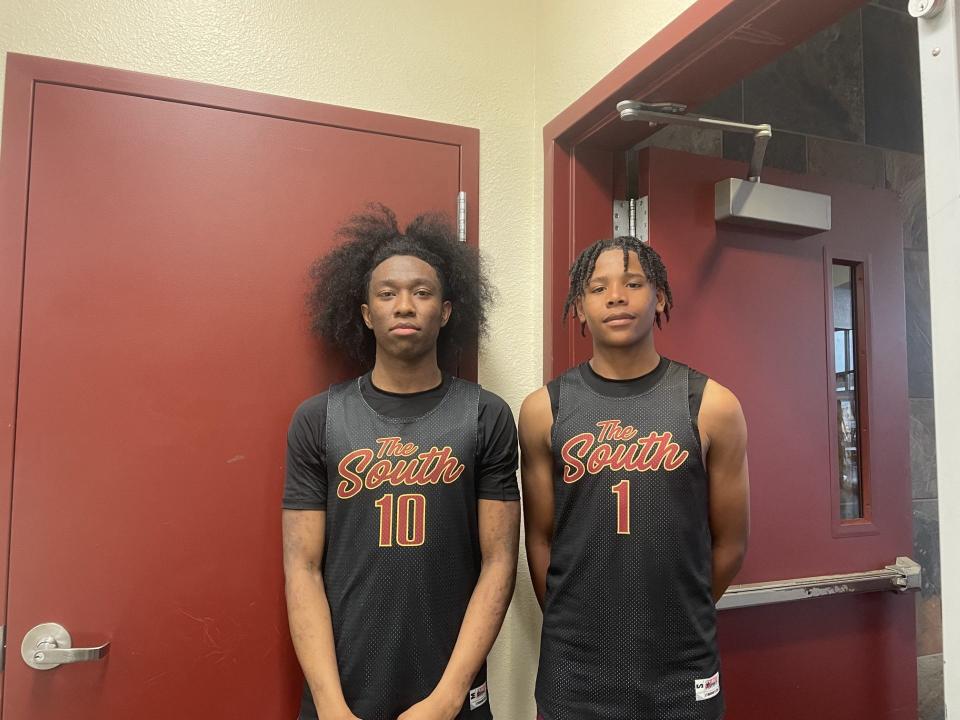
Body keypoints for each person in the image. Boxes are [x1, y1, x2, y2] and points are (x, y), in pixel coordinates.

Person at [282, 205, 521, 720]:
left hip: (450, 692)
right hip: (341, 693)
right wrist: (328, 703)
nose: (405, 305)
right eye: (387, 293)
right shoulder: (318, 419)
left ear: (448, 310)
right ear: (367, 314)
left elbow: (499, 561)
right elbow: (301, 567)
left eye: (422, 292)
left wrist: (448, 696)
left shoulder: (486, 416)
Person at [519, 236, 750, 720]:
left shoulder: (712, 405)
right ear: (579, 308)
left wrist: (678, 614)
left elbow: (730, 544)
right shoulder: (544, 410)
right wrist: (573, 623)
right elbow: (539, 540)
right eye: (597, 287)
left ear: (660, 297)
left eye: (633, 283)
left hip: (682, 661)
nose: (616, 296)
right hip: (574, 665)